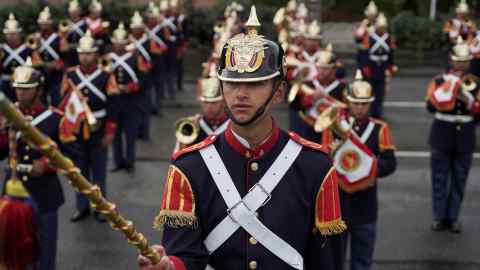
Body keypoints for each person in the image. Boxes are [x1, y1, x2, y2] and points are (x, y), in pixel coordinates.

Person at [138, 6, 346, 270]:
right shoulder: (187, 168)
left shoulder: (315, 166)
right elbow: (185, 255)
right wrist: (170, 266)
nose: (240, 94)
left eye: (255, 84)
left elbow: (327, 261)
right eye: (232, 83)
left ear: (279, 91)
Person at [0, 58, 71, 270]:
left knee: (45, 251)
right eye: (18, 89)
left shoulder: (55, 118)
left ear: (38, 90)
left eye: (27, 89)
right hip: (13, 192)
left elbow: (71, 155)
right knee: (15, 251)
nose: (21, 93)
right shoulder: (7, 116)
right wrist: (2, 131)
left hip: (45, 192)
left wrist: (48, 164)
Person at [322, 70, 397, 270]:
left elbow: (390, 163)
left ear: (370, 103)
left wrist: (367, 167)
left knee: (362, 261)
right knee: (334, 260)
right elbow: (323, 162)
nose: (360, 108)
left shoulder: (380, 128)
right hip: (338, 205)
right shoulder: (335, 127)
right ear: (348, 102)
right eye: (356, 103)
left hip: (366, 206)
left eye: (364, 104)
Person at [60, 30, 118, 223]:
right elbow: (63, 103)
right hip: (77, 131)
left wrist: (110, 131)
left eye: (89, 53)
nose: (85, 57)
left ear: (96, 54)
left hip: (99, 129)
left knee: (99, 172)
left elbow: (113, 104)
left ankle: (101, 208)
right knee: (79, 172)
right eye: (82, 53)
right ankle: (81, 207)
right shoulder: (70, 75)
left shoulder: (106, 76)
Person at [425, 37, 480, 233]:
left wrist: (468, 100)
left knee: (459, 179)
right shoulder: (439, 80)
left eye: (465, 61)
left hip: (465, 136)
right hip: (442, 133)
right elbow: (430, 106)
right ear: (451, 60)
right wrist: (448, 91)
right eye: (458, 60)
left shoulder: (476, 83)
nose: (461, 64)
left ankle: (453, 217)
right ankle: (439, 217)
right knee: (439, 179)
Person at [107, 22, 150, 173]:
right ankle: (118, 162)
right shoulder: (107, 59)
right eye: (116, 43)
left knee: (130, 134)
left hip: (131, 102)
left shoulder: (135, 58)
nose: (118, 46)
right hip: (114, 103)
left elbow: (143, 78)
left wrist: (129, 87)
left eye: (121, 43)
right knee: (116, 135)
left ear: (126, 43)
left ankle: (130, 162)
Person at [173, 76, 228, 153]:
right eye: (205, 102)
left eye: (214, 102)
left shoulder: (233, 126)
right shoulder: (192, 124)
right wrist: (188, 133)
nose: (209, 107)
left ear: (223, 102)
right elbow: (177, 157)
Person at [358, 13, 397, 118]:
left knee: (380, 92)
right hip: (372, 67)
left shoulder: (388, 38)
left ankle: (378, 112)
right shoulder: (370, 37)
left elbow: (390, 53)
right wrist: (365, 67)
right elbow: (365, 53)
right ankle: (369, 111)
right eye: (380, 27)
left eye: (383, 28)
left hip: (383, 67)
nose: (381, 29)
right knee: (370, 90)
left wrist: (391, 65)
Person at [0, 13, 41, 102]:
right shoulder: (2, 49)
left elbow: (38, 64)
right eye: (9, 34)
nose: (11, 36)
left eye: (14, 34)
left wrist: (29, 67)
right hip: (5, 84)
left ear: (19, 34)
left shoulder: (28, 49)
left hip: (23, 83)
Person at [35, 7, 66, 106]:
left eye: (46, 23)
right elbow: (32, 55)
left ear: (51, 23)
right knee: (40, 99)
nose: (44, 25)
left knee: (56, 99)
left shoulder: (58, 37)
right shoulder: (36, 38)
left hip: (56, 73)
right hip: (41, 72)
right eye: (42, 23)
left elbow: (65, 55)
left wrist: (58, 64)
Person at [62, 0, 88, 68]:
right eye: (72, 11)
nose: (73, 13)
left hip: (81, 50)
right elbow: (61, 38)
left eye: (75, 11)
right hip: (69, 53)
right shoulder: (65, 23)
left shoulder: (85, 24)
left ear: (79, 12)